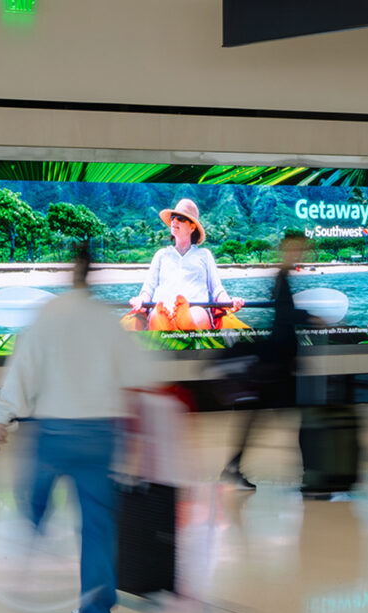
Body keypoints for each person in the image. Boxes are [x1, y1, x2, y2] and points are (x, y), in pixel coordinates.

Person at [0, 244, 150, 613]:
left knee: (36, 500)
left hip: (55, 430)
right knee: (98, 523)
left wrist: (1, 416)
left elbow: (23, 369)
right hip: (101, 432)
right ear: (94, 273)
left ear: (69, 272)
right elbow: (140, 374)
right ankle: (97, 610)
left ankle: (28, 544)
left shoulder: (50, 314)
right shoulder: (106, 319)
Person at [221, 233, 314, 489]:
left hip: (277, 361)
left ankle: (234, 466)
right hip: (277, 364)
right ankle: (309, 474)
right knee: (296, 420)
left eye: (302, 250)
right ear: (285, 251)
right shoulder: (282, 278)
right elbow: (284, 316)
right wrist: (310, 318)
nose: (300, 254)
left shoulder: (284, 277)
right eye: (295, 249)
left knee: (260, 418)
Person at [128, 198, 242, 329]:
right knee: (156, 314)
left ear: (192, 227)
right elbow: (148, 289)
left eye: (181, 218)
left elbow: (217, 290)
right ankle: (170, 319)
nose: (175, 221)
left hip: (197, 307)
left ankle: (183, 318)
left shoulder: (204, 255)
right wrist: (140, 300)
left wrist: (230, 302)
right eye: (173, 217)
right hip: (163, 306)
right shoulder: (161, 255)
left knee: (196, 312)